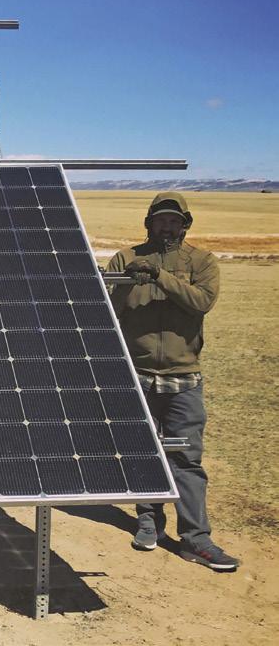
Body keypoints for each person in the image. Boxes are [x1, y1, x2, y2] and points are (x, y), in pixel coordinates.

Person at [107, 192, 239, 572]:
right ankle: (148, 522)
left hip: (184, 377)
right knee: (144, 452)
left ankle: (196, 538)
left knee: (187, 458)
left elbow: (202, 302)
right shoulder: (125, 259)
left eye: (174, 221)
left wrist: (160, 277)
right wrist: (128, 282)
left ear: (185, 224)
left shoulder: (201, 261)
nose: (167, 226)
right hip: (136, 374)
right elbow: (108, 308)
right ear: (148, 223)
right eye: (160, 220)